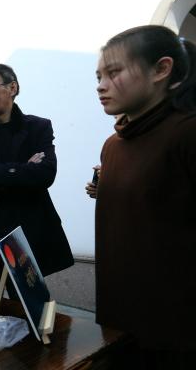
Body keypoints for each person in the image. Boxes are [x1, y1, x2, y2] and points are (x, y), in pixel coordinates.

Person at [94, 25, 196, 367]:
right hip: (119, 317)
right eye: (99, 76)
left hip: (175, 329)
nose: (101, 85)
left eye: (114, 72)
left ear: (161, 69)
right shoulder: (113, 145)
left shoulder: (186, 134)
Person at [0, 64, 73, 277]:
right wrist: (23, 173)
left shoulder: (38, 127)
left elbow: (46, 174)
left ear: (12, 88)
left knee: (35, 305)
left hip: (33, 233)